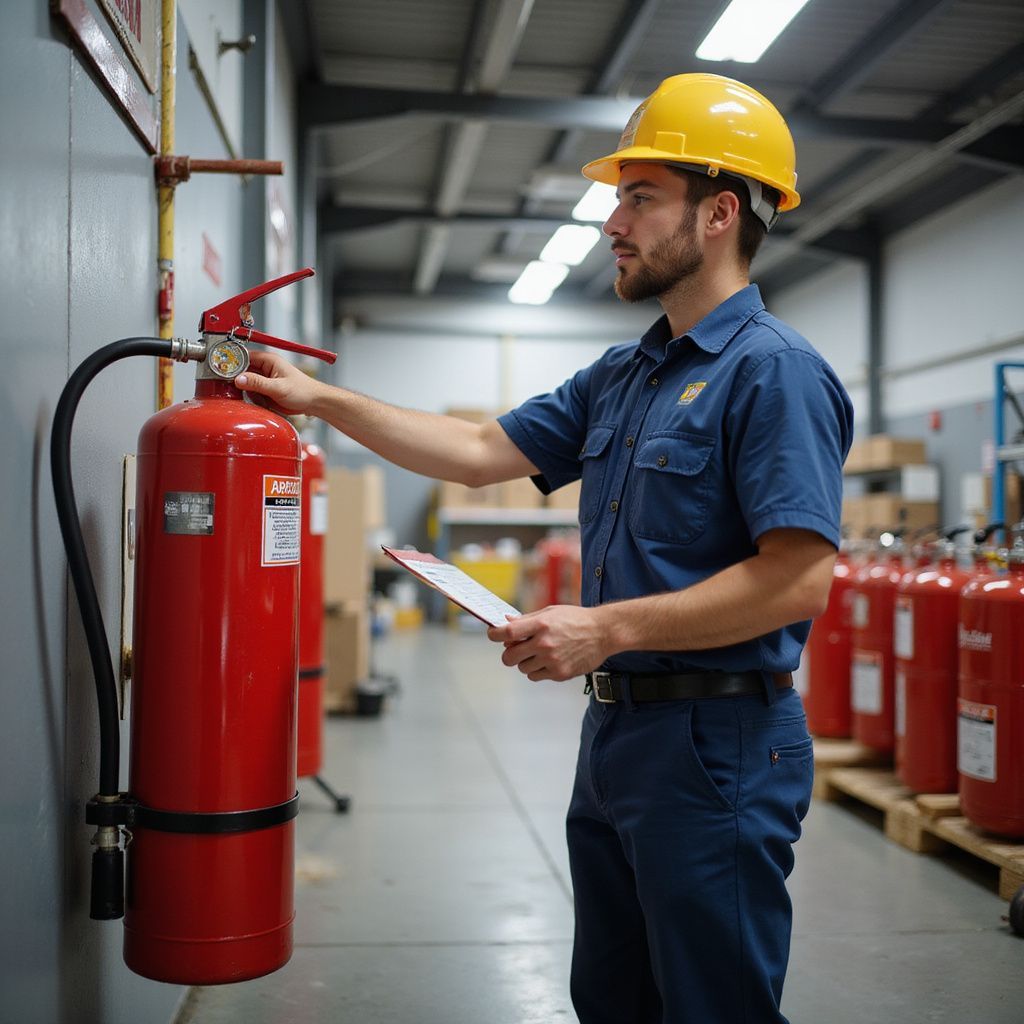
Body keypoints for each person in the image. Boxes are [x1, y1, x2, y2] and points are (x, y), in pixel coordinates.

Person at [236, 73, 852, 1024]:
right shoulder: (625, 373)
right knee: (612, 998)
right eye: (618, 197)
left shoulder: (776, 375)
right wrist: (318, 400)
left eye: (640, 197)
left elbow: (800, 579)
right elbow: (481, 452)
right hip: (615, 737)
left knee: (711, 1003)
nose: (614, 220)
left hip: (716, 745)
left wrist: (603, 627)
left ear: (721, 212)